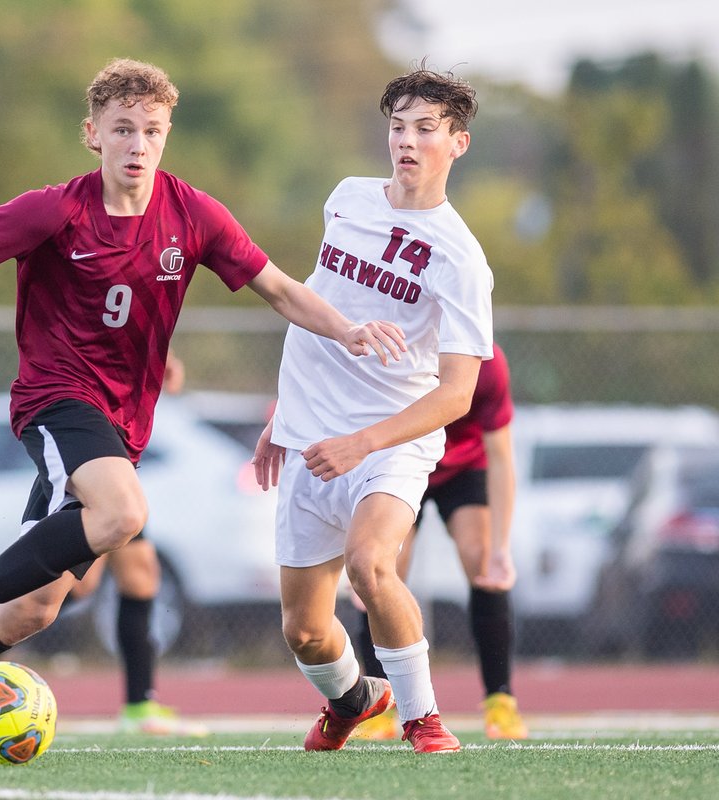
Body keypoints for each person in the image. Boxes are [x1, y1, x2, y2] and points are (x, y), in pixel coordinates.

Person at [0, 57, 405, 758]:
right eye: (123, 129)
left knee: (33, 610)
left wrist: (347, 329)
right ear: (92, 135)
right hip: (55, 400)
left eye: (153, 131)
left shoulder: (193, 215)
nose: (139, 145)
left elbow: (281, 289)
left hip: (119, 426)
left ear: (167, 136)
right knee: (123, 512)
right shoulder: (57, 210)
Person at [252, 64, 492, 755]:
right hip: (308, 438)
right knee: (302, 629)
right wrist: (282, 418)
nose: (407, 141)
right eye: (397, 127)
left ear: (458, 144)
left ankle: (423, 718)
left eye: (425, 129)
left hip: (389, 443)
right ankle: (354, 698)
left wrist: (362, 443)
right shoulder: (348, 198)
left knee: (370, 563)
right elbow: (318, 307)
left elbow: (457, 394)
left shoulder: (462, 259)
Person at [352, 341, 528, 740]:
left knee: (482, 559)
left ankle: (500, 701)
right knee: (379, 568)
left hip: (461, 468)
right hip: (399, 462)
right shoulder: (395, 352)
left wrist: (501, 548)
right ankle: (380, 703)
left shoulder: (488, 364)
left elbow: (501, 457)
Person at [66, 349, 208, 737]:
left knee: (140, 573)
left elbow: (133, 319)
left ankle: (139, 706)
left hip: (114, 450)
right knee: (77, 585)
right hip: (82, 439)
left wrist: (164, 356)